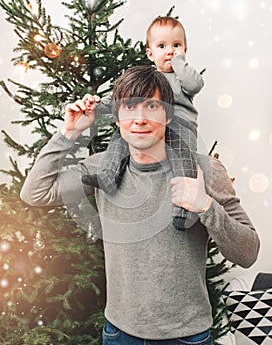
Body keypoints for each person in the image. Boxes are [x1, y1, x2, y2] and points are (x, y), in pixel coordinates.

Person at [20, 65, 260, 345]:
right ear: (118, 117)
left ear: (168, 115)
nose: (140, 118)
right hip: (119, 334)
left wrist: (206, 206)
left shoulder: (205, 170)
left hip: (188, 337)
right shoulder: (100, 170)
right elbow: (35, 193)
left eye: (152, 105)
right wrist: (68, 133)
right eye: (130, 106)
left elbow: (248, 253)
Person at [84, 16, 205, 231]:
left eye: (176, 45)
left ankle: (183, 210)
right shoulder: (148, 81)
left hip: (180, 127)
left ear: (185, 49)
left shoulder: (182, 77)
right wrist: (94, 106)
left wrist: (179, 62)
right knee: (119, 138)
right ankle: (108, 176)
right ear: (150, 53)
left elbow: (195, 84)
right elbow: (120, 101)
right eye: (162, 46)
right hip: (151, 130)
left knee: (183, 159)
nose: (170, 51)